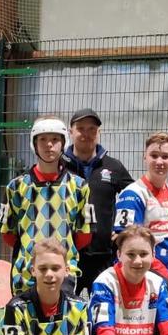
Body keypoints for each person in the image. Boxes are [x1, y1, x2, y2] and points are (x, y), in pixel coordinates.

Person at [0, 117, 93, 296]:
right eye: (43, 139)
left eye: (55, 139)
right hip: (25, 274)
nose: (49, 145)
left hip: (64, 274)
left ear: (64, 143)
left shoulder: (79, 186)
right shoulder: (16, 187)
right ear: (34, 143)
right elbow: (8, 235)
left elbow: (84, 235)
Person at [62, 108, 134, 295]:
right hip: (68, 255)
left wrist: (124, 230)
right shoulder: (59, 166)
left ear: (99, 132)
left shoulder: (113, 166)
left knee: (105, 307)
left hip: (104, 256)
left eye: (92, 129)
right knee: (66, 307)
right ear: (71, 132)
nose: (86, 134)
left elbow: (135, 196)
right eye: (81, 129)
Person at [112, 132, 168, 299]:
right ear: (144, 157)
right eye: (154, 156)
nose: (159, 162)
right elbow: (129, 243)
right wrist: (167, 278)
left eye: (165, 156)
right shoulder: (133, 195)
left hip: (166, 282)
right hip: (136, 277)